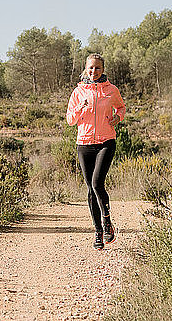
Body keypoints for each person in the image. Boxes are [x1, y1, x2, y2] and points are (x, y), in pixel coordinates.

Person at [66, 53, 125, 250]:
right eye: (90, 68)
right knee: (91, 189)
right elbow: (70, 120)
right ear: (85, 68)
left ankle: (107, 220)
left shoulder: (111, 90)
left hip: (106, 141)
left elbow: (121, 108)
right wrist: (81, 108)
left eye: (97, 68)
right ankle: (98, 231)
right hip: (84, 143)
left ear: (103, 69)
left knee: (97, 182)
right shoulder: (78, 92)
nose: (94, 71)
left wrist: (117, 118)